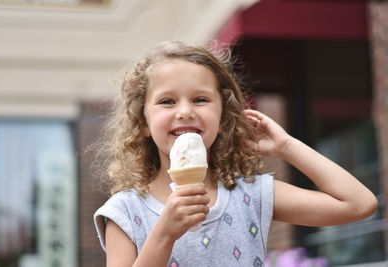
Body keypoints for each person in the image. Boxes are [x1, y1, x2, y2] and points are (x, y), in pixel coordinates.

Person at [93, 41, 377, 267]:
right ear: (143, 123)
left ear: (222, 116)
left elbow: (358, 204)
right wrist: (164, 234)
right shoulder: (125, 212)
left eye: (200, 99)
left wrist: (286, 147)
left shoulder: (249, 195)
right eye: (167, 101)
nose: (185, 111)